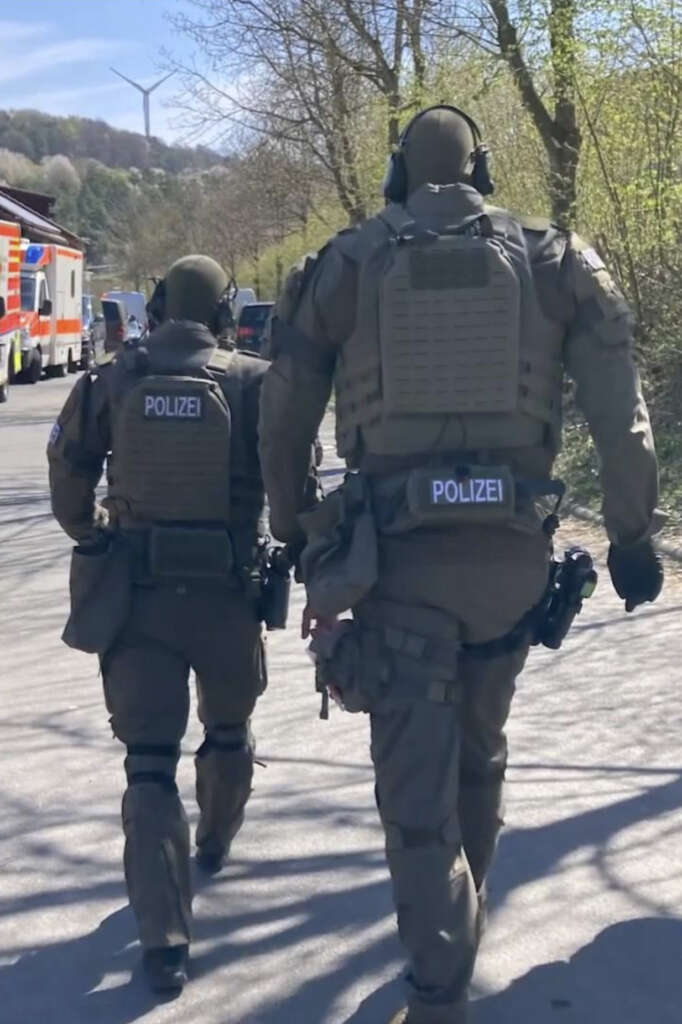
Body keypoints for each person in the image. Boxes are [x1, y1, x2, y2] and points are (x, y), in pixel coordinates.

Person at [258, 105, 664, 1024]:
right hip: (513, 564)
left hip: (398, 566)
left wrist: (292, 525)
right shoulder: (557, 259)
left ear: (398, 175)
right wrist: (633, 536)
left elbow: (281, 410)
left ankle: (439, 990)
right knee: (479, 754)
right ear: (481, 172)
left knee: (415, 804)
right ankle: (458, 930)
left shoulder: (350, 265)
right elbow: (620, 406)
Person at [48, 255, 273, 993]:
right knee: (230, 731)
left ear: (156, 305)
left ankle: (165, 941)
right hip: (228, 595)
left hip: (139, 597)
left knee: (149, 763)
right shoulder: (251, 381)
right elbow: (295, 479)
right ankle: (214, 837)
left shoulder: (113, 377)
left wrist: (89, 532)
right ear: (222, 314)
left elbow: (68, 470)